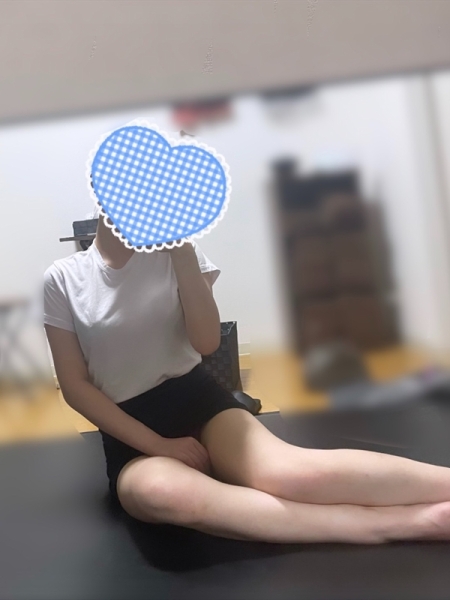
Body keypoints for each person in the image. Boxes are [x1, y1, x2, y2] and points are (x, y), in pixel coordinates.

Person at [44, 213, 450, 545]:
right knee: (163, 494)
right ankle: (398, 525)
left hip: (197, 399)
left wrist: (181, 251)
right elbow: (75, 387)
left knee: (289, 474)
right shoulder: (63, 278)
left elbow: (206, 342)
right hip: (131, 433)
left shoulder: (178, 253)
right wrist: (159, 446)